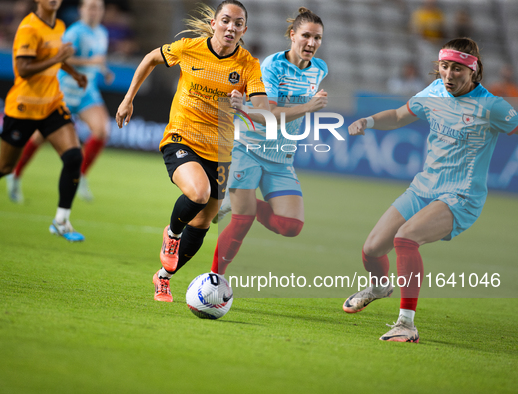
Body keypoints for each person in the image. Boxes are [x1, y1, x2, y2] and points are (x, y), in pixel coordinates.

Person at [342, 38, 518, 343]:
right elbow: (398, 115)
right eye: (445, 66)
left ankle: (406, 324)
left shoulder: (492, 106)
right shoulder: (434, 91)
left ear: (474, 71)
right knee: (371, 250)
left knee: (406, 239)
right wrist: (368, 121)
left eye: (458, 69)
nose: (449, 74)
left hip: (460, 196)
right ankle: (380, 287)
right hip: (423, 188)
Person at [115, 0, 268, 302]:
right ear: (214, 23)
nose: (231, 27)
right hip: (182, 137)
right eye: (226, 20)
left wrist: (246, 106)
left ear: (244, 30)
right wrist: (128, 98)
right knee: (198, 194)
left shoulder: (248, 64)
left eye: (238, 23)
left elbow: (264, 109)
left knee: (202, 222)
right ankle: (171, 236)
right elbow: (149, 59)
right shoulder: (188, 48)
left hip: (221, 151)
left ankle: (163, 278)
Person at [210, 8, 328, 277]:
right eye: (306, 36)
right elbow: (268, 116)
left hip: (282, 156)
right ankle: (215, 280)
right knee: (243, 221)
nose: (311, 43)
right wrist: (309, 106)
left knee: (290, 226)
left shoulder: (320, 69)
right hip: (249, 147)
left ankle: (235, 199)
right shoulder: (272, 67)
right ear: (292, 35)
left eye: (317, 38)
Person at [0, 0, 88, 242]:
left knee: (74, 156)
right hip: (23, 107)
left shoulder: (59, 25)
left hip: (51, 103)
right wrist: (57, 58)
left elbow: (55, 58)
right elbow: (24, 68)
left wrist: (74, 73)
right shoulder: (28, 28)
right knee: (5, 166)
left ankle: (61, 221)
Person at [6, 0, 114, 203]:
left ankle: (79, 176)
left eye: (98, 7)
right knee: (39, 136)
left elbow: (98, 60)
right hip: (63, 90)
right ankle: (15, 174)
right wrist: (93, 63)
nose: (94, 11)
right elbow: (62, 59)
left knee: (102, 130)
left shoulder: (102, 33)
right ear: (81, 10)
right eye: (90, 7)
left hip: (86, 93)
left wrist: (105, 71)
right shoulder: (74, 32)